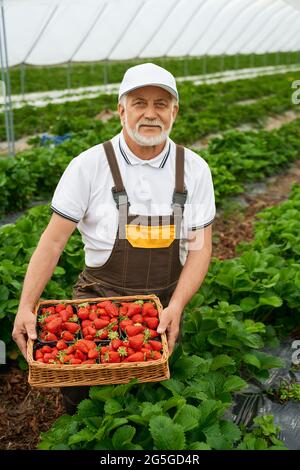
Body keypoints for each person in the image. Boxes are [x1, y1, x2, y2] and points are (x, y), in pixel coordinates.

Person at [12, 63, 216, 414]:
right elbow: (53, 242)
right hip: (96, 305)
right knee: (86, 405)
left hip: (161, 308)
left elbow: (200, 248)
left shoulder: (194, 169)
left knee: (155, 401)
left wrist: (177, 307)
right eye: (139, 103)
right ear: (121, 110)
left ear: (174, 112)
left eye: (161, 104)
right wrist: (26, 306)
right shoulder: (88, 166)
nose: (150, 114)